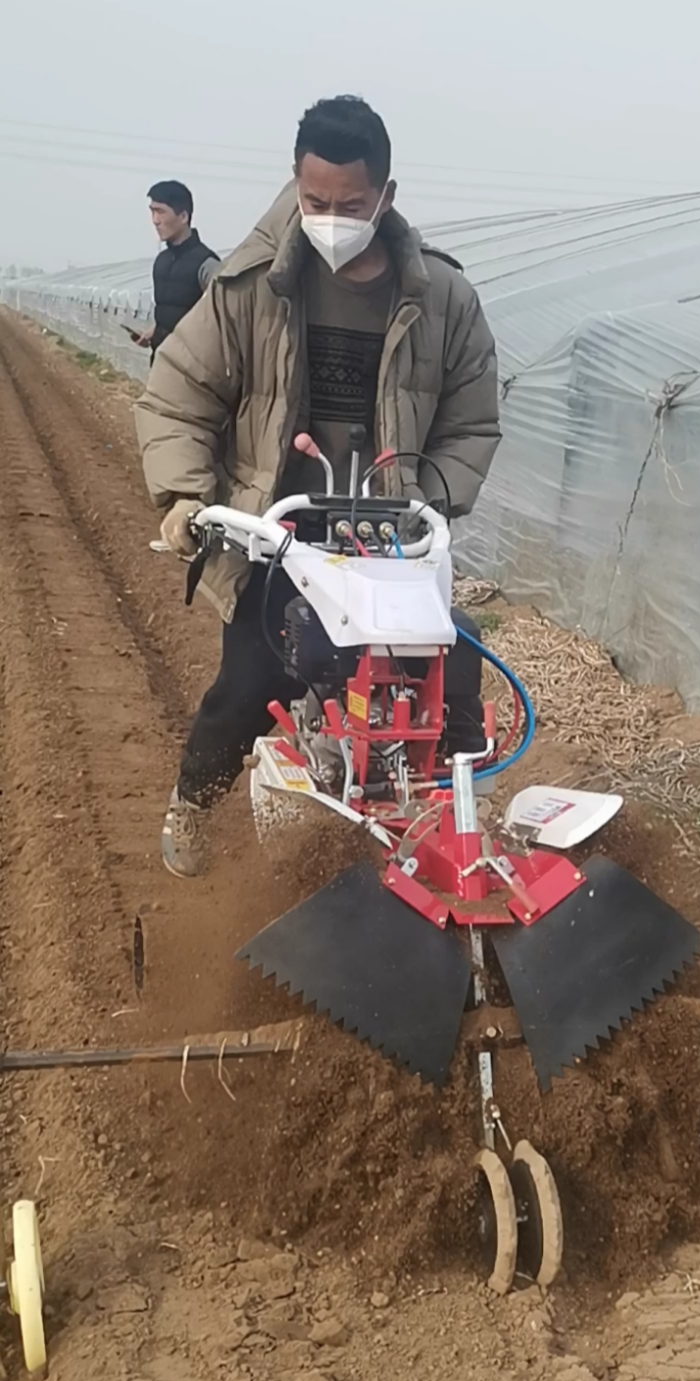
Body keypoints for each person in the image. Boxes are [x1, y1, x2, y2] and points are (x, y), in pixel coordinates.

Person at [135, 96, 501, 879]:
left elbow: (473, 423)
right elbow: (176, 397)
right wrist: (185, 500)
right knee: (251, 679)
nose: (332, 219)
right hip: (283, 532)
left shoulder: (444, 300)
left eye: (352, 205)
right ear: (296, 187)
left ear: (387, 198)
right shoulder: (249, 289)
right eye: (316, 202)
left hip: (386, 541)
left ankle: (455, 827)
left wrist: (425, 503)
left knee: (449, 671)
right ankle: (194, 801)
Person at [133, 182, 219, 357]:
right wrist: (156, 330)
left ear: (183, 217)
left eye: (161, 212)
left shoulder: (207, 264)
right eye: (152, 211)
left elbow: (221, 321)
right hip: (160, 362)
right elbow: (173, 312)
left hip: (191, 370)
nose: (155, 220)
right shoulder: (161, 262)